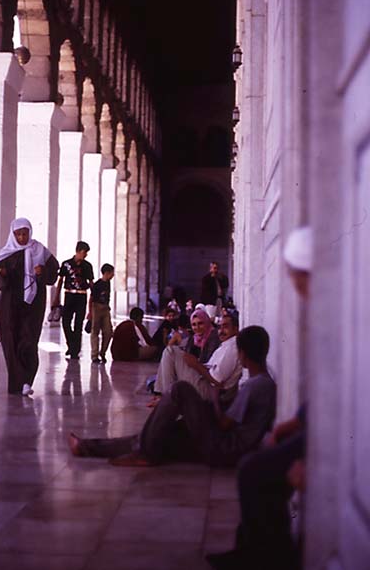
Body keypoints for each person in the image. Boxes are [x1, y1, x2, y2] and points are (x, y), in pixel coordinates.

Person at [206, 226, 312, 570]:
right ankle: (255, 550)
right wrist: (298, 421)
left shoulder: (337, 318)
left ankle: (263, 555)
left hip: (338, 442)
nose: (296, 284)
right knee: (258, 472)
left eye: (298, 276)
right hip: (312, 429)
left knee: (253, 471)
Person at [69, 325, 276, 468]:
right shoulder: (263, 382)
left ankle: (145, 453)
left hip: (222, 449)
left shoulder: (255, 386)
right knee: (154, 436)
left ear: (242, 354)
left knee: (181, 390)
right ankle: (88, 447)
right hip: (224, 445)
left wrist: (211, 399)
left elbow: (223, 424)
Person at [0, 217, 59, 395]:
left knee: (28, 341)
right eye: (18, 234)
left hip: (33, 305)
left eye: (24, 233)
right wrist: (2, 274)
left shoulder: (40, 250)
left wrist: (42, 272)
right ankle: (18, 384)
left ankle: (26, 381)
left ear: (30, 232)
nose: (21, 238)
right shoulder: (7, 253)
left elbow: (53, 274)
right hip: (10, 305)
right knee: (11, 340)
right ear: (13, 235)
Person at [153, 311, 239, 401]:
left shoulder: (230, 345)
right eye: (220, 327)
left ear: (236, 329)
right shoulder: (225, 344)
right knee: (171, 354)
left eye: (225, 327)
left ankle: (168, 399)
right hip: (203, 376)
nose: (221, 331)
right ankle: (164, 396)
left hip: (208, 388)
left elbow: (216, 380)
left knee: (170, 352)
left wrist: (196, 364)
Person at [52, 241, 94, 359]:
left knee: (78, 324)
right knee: (65, 322)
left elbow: (91, 283)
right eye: (84, 253)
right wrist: (56, 298)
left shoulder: (87, 266)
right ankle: (71, 345)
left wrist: (94, 296)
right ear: (78, 251)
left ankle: (75, 351)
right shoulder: (66, 264)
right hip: (69, 295)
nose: (85, 255)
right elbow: (60, 281)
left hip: (82, 296)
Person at [88, 263, 114, 364]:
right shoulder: (97, 284)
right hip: (96, 308)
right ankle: (94, 355)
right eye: (112, 273)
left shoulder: (108, 283)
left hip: (105, 308)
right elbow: (91, 299)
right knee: (95, 331)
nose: (113, 275)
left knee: (108, 332)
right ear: (107, 273)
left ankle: (102, 352)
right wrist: (90, 312)